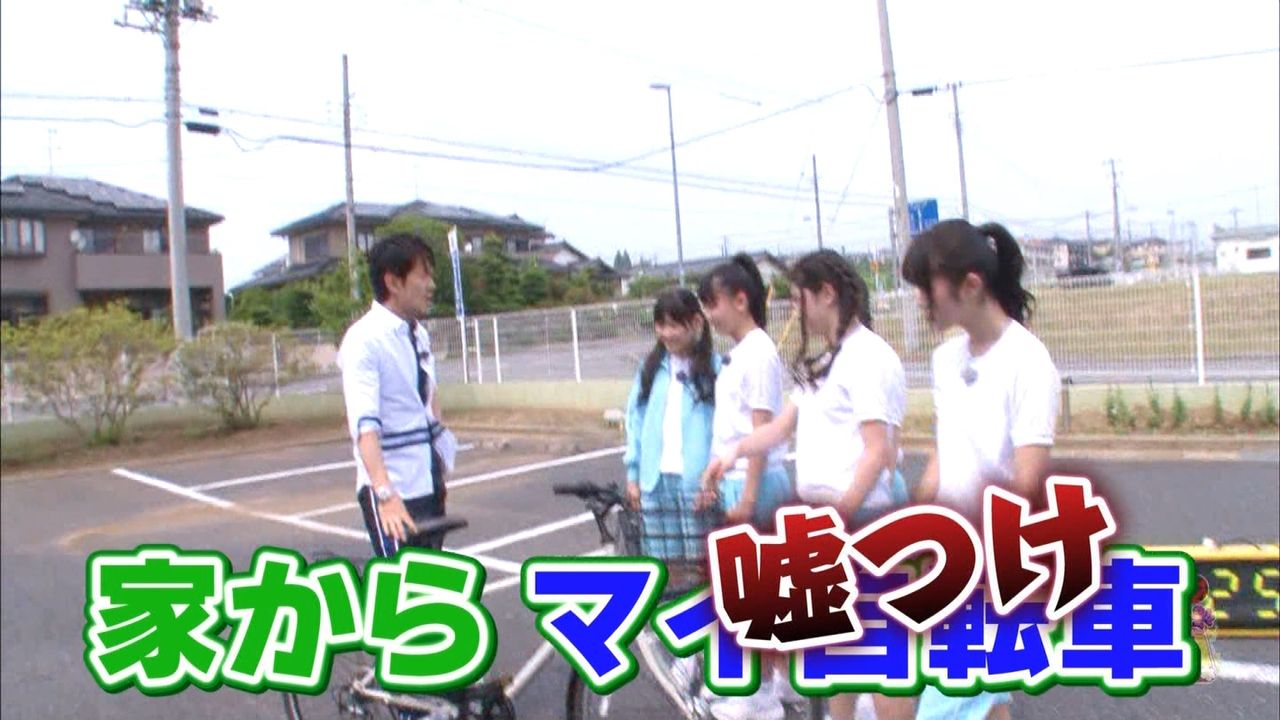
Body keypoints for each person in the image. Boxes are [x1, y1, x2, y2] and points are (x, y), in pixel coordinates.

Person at [703, 249, 912, 720]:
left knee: (877, 657)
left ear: (827, 294)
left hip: (860, 520)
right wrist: (734, 452)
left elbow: (877, 451)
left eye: (800, 300)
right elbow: (780, 427)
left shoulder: (868, 358)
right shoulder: (826, 360)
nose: (796, 312)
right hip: (825, 522)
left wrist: (840, 516)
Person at [901, 218, 1062, 720]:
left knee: (945, 706)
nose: (920, 302)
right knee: (985, 702)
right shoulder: (945, 360)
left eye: (926, 290)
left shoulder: (1028, 363)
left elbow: (1027, 480)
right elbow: (945, 455)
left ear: (970, 285)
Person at [695, 254, 796, 720]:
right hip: (739, 481)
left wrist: (750, 496)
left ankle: (763, 696)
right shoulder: (740, 352)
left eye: (712, 303)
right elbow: (732, 430)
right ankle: (775, 685)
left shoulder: (758, 353)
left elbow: (760, 432)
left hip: (756, 484)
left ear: (740, 300)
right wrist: (715, 478)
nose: (709, 314)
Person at [338, 233, 448, 558]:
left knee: (431, 581)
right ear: (393, 282)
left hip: (426, 482)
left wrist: (439, 469)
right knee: (400, 584)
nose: (431, 285)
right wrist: (385, 494)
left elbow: (429, 401)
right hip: (393, 488)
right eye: (423, 276)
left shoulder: (417, 333)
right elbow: (364, 426)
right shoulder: (364, 339)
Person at [623, 287, 720, 562]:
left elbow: (725, 431)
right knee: (662, 563)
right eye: (661, 325)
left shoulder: (715, 369)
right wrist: (633, 475)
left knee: (700, 563)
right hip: (654, 483)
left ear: (696, 322)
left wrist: (715, 480)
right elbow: (635, 423)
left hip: (697, 484)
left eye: (674, 325)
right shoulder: (650, 369)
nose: (666, 333)